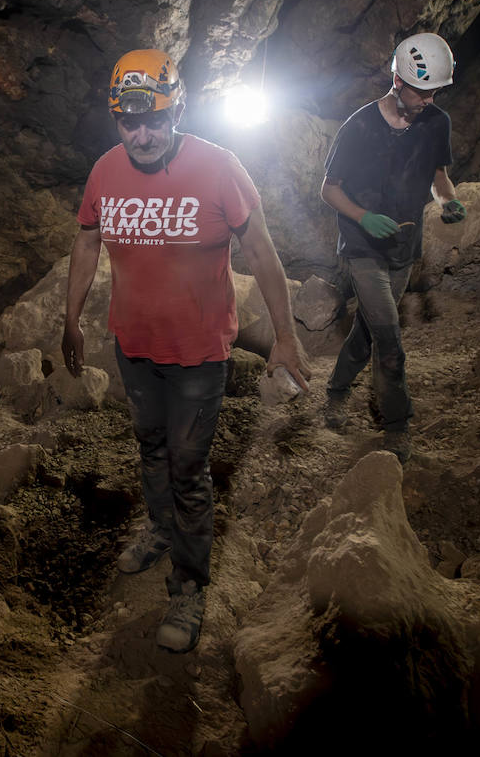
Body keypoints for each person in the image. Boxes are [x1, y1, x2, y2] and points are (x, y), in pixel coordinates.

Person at [61, 48, 311, 654]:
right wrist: (69, 318)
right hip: (135, 345)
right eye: (128, 121)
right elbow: (88, 243)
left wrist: (284, 334)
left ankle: (190, 584)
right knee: (149, 445)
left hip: (199, 352)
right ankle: (158, 526)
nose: (141, 134)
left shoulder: (219, 167)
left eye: (155, 119)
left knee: (188, 467)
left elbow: (261, 253)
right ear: (116, 119)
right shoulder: (105, 171)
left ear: (178, 110)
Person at [319, 31, 468, 463]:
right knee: (389, 338)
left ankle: (336, 390)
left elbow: (438, 176)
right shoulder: (360, 126)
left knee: (367, 333)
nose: (428, 100)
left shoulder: (436, 122)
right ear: (398, 80)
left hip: (405, 246)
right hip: (362, 246)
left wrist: (449, 201)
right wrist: (363, 217)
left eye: (435, 91)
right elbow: (329, 190)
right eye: (422, 91)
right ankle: (398, 426)